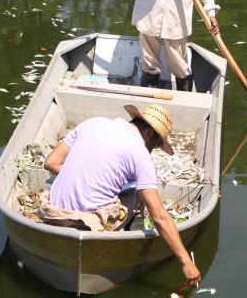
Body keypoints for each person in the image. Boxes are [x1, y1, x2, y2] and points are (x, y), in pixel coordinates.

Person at [41, 104, 202, 288]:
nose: (153, 150)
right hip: (89, 225)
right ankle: (131, 231)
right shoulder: (140, 154)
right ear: (149, 133)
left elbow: (51, 162)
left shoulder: (92, 123)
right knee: (139, 192)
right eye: (156, 145)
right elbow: (159, 216)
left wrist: (85, 174)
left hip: (52, 212)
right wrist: (185, 261)